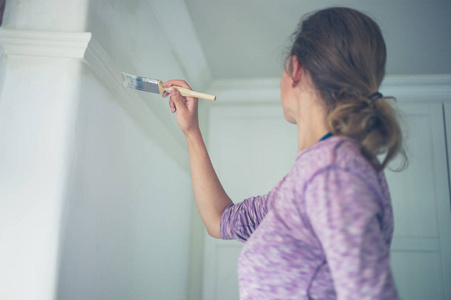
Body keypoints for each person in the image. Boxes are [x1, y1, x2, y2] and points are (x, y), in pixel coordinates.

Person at [161, 7, 406, 300]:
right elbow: (221, 220)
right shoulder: (308, 178)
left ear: (296, 69)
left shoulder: (334, 170)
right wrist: (191, 132)